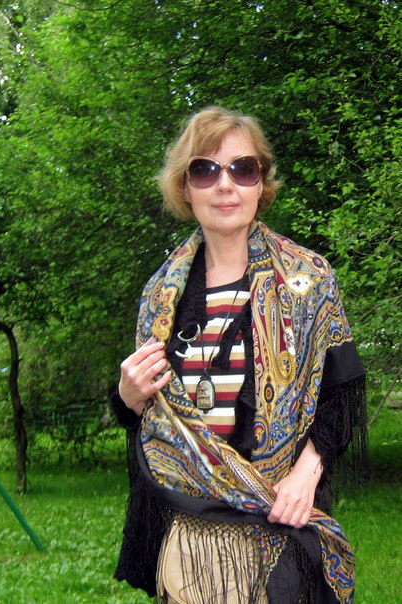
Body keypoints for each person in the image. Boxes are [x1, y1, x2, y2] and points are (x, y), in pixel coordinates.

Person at [111, 106, 367, 604]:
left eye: (242, 169)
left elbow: (340, 395)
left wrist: (306, 475)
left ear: (260, 183)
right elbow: (152, 422)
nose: (225, 185)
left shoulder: (308, 281)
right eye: (205, 170)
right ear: (185, 188)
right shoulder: (160, 296)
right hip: (189, 544)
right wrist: (126, 395)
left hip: (279, 531)